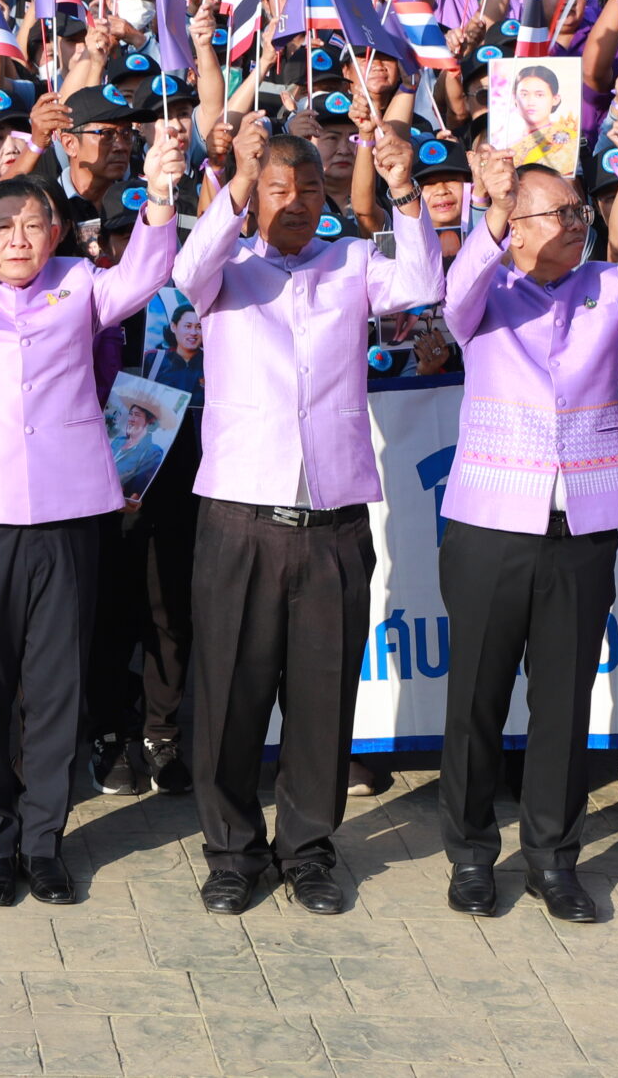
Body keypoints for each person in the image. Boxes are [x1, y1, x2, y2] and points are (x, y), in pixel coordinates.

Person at [0, 131, 185, 911]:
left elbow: (147, 274)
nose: (18, 239)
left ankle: (44, 838)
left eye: (32, 225)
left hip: (68, 511)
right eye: (2, 226)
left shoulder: (80, 281)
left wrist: (158, 197)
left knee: (59, 680)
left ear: (54, 231)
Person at [169, 117, 441, 916]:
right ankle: (231, 851)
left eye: (308, 189)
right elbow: (187, 270)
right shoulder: (229, 265)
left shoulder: (351, 261)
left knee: (322, 696)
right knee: (228, 694)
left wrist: (401, 189)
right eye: (278, 189)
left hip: (332, 519)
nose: (292, 203)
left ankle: (310, 848)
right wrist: (240, 179)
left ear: (327, 196)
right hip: (240, 515)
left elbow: (422, 280)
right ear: (257, 196)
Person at [435, 146, 618, 922]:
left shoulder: (607, 285)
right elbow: (454, 299)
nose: (577, 223)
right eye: (561, 213)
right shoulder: (488, 286)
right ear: (517, 225)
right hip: (491, 524)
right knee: (475, 697)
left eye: (581, 211)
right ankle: (473, 854)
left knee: (564, 701)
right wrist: (496, 209)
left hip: (582, 523)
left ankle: (553, 857)